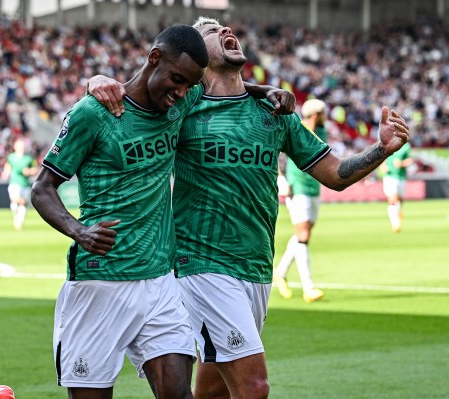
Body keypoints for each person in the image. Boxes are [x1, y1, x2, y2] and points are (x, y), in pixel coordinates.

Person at [87, 16, 410, 399]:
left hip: (256, 267)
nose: (225, 31)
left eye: (226, 28)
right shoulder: (182, 106)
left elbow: (335, 174)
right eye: (211, 32)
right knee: (254, 387)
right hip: (200, 265)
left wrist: (381, 150)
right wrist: (97, 82)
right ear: (194, 57)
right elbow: (135, 93)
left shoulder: (274, 112)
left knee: (213, 392)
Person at [30, 24, 210, 399]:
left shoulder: (181, 102)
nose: (180, 94)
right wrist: (78, 230)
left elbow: (225, 92)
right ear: (154, 58)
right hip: (100, 283)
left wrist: (269, 92)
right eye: (176, 80)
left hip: (160, 281)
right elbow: (42, 188)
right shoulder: (94, 113)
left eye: (188, 86)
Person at [273, 98, 328, 303]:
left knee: (303, 236)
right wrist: (281, 177)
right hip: (298, 187)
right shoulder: (296, 128)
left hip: (314, 187)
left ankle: (280, 272)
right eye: (322, 113)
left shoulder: (322, 132)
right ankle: (308, 287)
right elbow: (277, 151)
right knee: (303, 235)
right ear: (315, 114)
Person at [1, 137, 38, 230]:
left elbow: (36, 169)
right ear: (15, 146)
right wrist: (5, 173)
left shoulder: (29, 158)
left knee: (23, 204)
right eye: (20, 146)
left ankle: (19, 221)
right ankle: (16, 218)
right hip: (14, 183)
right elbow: (8, 166)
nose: (22, 148)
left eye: (23, 146)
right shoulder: (11, 157)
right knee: (16, 200)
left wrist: (29, 171)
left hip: (25, 184)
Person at [380, 141, 413, 232]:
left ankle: (397, 214)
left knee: (399, 200)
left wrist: (401, 163)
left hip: (401, 177)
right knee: (393, 199)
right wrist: (382, 166)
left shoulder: (406, 146)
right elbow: (381, 158)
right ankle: (395, 223)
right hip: (389, 176)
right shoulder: (387, 143)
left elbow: (410, 160)